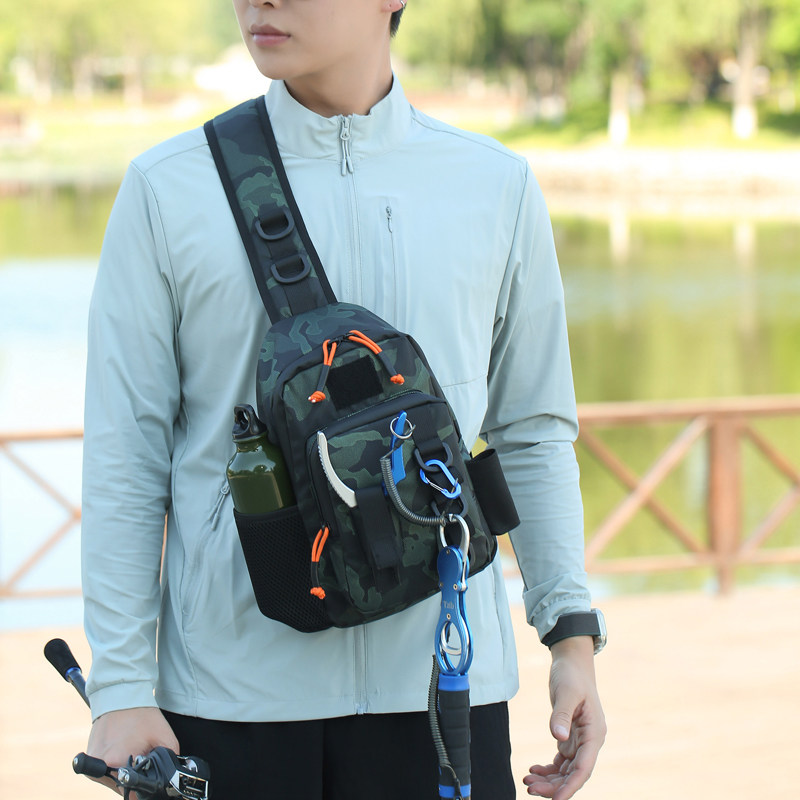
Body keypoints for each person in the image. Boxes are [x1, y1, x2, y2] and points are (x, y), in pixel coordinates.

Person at [81, 1, 606, 798]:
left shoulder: (493, 186)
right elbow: (126, 453)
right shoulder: (168, 189)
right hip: (233, 699)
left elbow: (531, 432)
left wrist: (571, 640)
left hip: (446, 689)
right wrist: (120, 686)